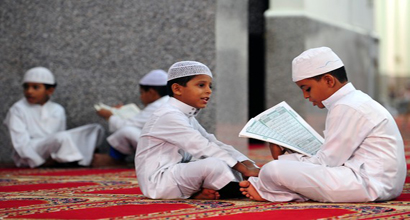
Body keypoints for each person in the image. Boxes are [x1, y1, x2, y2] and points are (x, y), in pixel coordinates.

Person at [240, 47, 407, 202]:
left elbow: (327, 163)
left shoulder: (347, 106)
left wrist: (282, 159)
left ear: (328, 80)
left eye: (307, 88)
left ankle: (270, 191)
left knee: (273, 170)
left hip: (368, 184)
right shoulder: (353, 101)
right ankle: (279, 190)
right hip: (380, 182)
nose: (305, 96)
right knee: (280, 168)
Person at [135, 61, 259, 200]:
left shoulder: (186, 116)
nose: (209, 91)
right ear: (177, 89)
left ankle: (204, 192)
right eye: (201, 85)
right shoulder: (168, 115)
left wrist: (247, 162)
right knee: (214, 164)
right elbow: (202, 146)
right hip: (159, 182)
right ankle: (250, 190)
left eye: (210, 86)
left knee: (224, 160)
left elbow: (213, 142)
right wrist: (243, 169)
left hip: (176, 174)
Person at [3, 67, 104, 168]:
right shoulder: (17, 109)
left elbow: (59, 136)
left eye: (35, 87)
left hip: (53, 146)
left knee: (95, 129)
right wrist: (39, 162)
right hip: (31, 151)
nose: (29, 91)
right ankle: (74, 160)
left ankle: (70, 157)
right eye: (26, 87)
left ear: (50, 90)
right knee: (61, 137)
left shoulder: (57, 109)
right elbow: (20, 143)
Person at [94, 70, 169, 165]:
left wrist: (109, 116)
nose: (141, 97)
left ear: (151, 92)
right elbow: (141, 122)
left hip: (165, 152)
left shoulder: (158, 106)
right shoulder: (167, 102)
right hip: (173, 150)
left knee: (126, 131)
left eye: (142, 93)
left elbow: (125, 126)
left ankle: (114, 159)